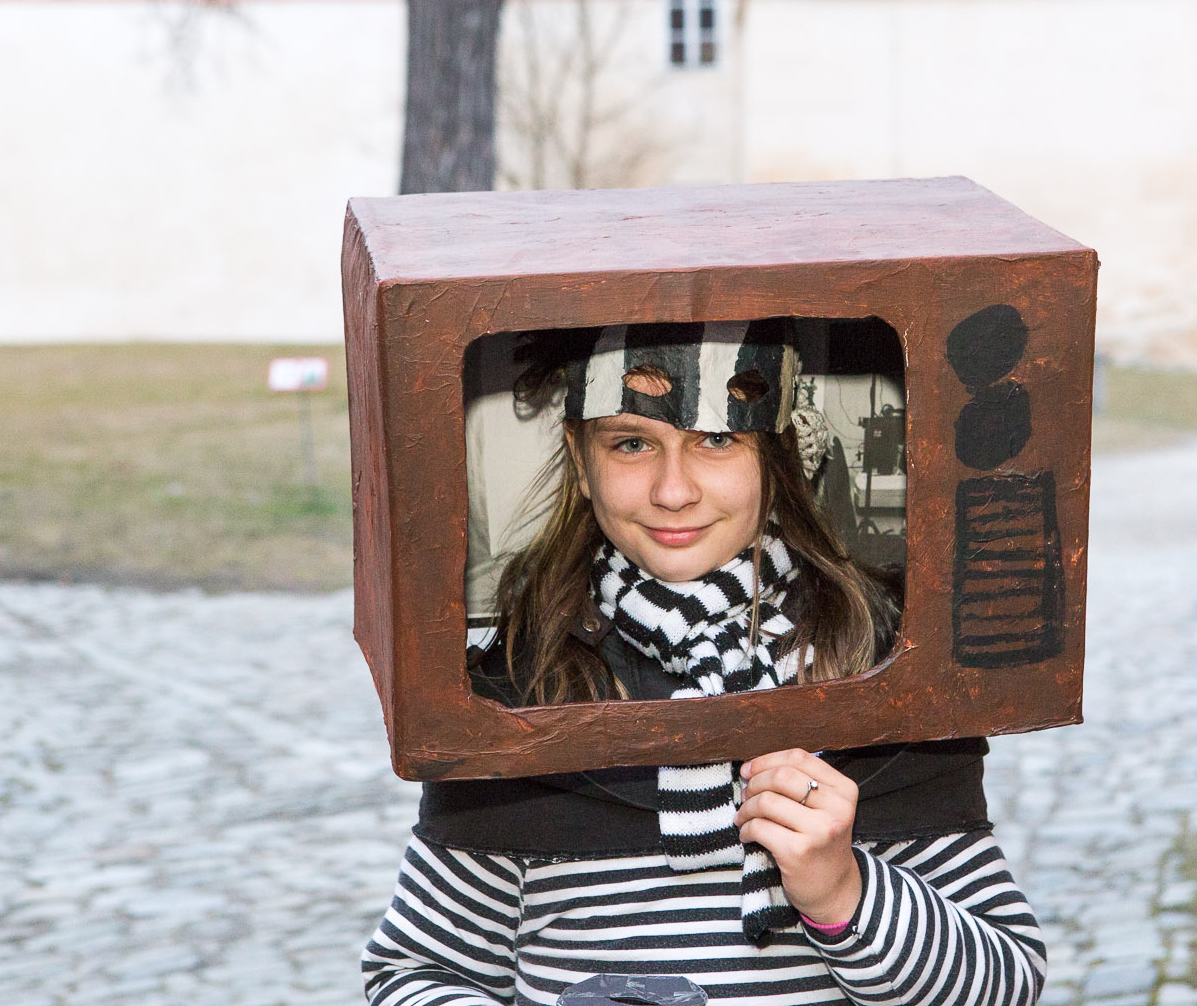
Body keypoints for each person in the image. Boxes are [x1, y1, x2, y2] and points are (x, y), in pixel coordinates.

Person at [361, 321, 1049, 1006]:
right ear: (580, 455)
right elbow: (417, 975)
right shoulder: (519, 681)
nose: (673, 490)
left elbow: (1004, 983)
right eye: (632, 443)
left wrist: (846, 892)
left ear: (775, 454)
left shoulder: (880, 661)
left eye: (717, 439)